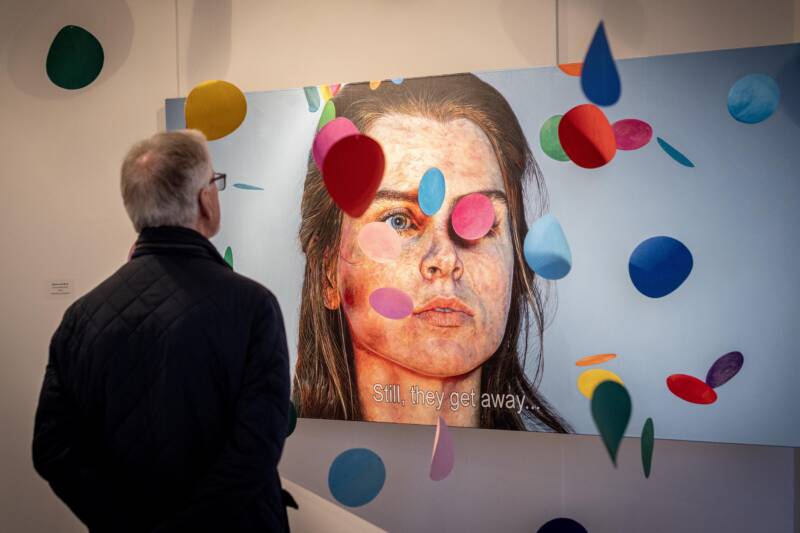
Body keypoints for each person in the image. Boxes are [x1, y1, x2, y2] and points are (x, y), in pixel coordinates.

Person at [32, 130, 291, 532]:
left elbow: (54, 448)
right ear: (205, 200)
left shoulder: (80, 318)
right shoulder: (253, 306)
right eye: (214, 182)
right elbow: (257, 447)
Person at [293, 74, 572, 432]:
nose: (445, 259)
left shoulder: (555, 481)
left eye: (480, 222)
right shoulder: (273, 465)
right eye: (398, 221)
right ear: (327, 272)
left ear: (518, 262)